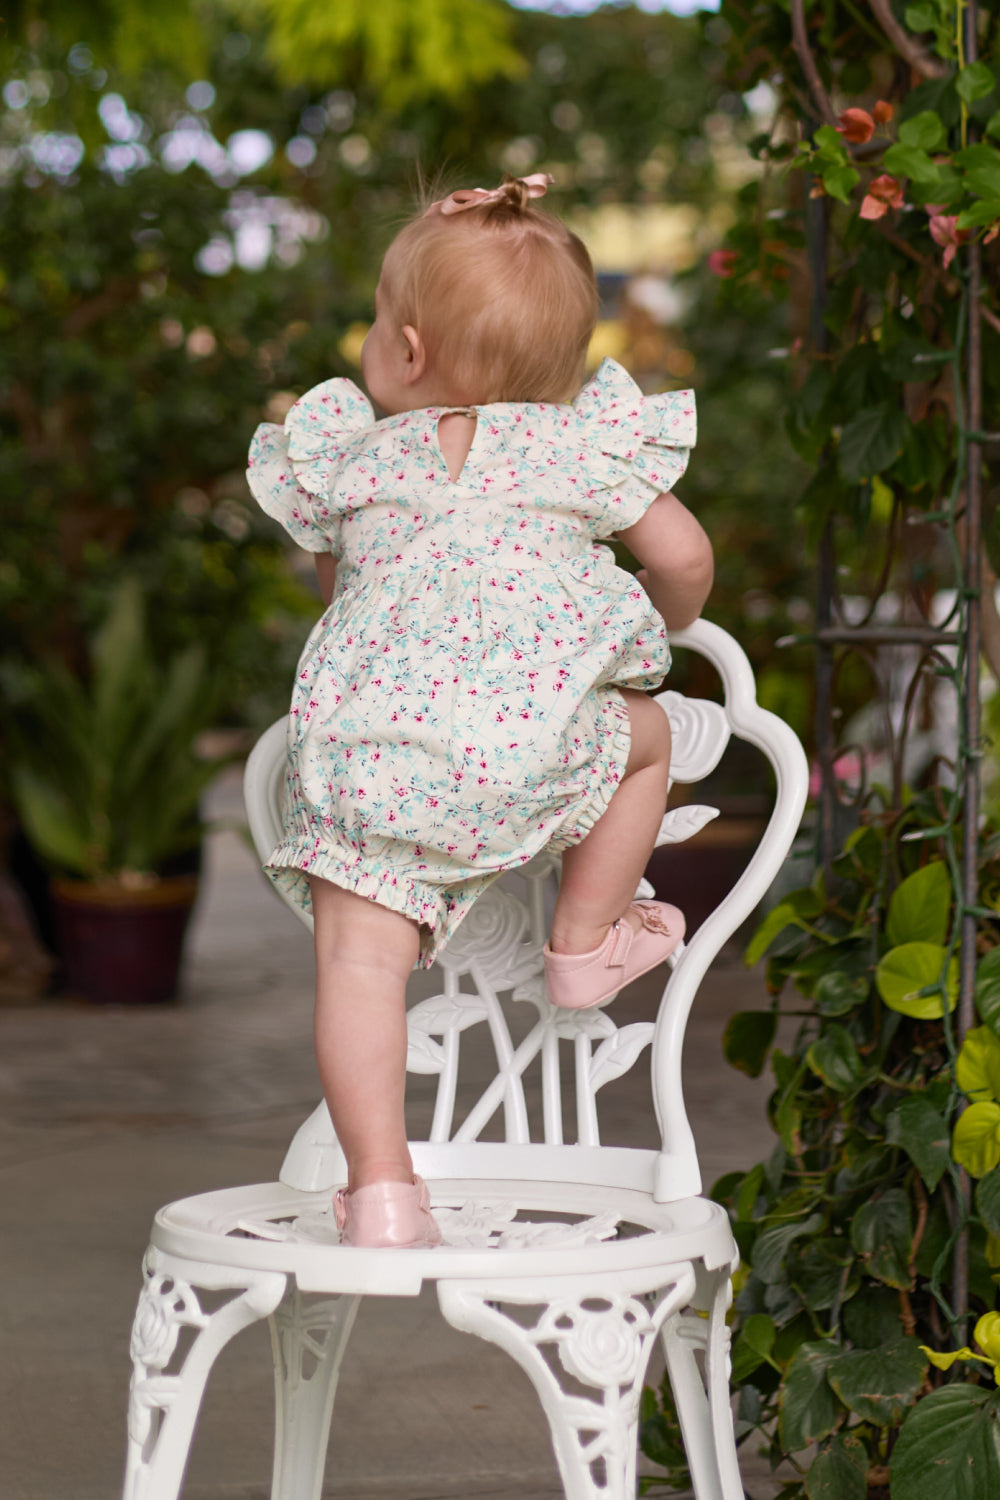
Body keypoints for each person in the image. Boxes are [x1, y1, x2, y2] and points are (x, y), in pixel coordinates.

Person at [247, 174, 714, 1249]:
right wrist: (670, 621)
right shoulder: (582, 449)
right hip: (532, 757)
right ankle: (584, 939)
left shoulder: (357, 460)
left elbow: (342, 588)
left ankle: (380, 1190)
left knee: (356, 966)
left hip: (371, 770)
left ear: (404, 353)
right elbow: (682, 556)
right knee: (644, 741)